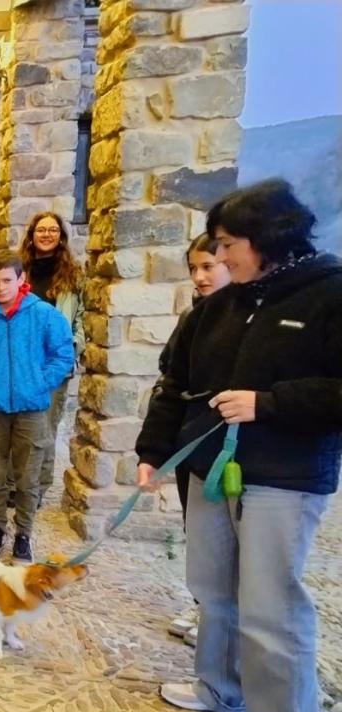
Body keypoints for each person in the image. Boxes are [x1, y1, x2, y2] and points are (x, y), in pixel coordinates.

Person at [136, 178, 342, 712]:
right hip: (207, 468)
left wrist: (269, 403)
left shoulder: (328, 295)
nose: (218, 257)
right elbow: (176, 384)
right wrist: (153, 449)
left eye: (228, 245)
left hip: (282, 476)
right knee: (212, 588)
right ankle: (219, 688)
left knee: (269, 602)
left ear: (269, 235)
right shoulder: (218, 308)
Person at [0, 250, 74, 563]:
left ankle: (23, 533)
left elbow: (63, 355)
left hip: (32, 408)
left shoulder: (45, 316)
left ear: (21, 279)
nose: (0, 288)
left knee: (28, 475)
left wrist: (38, 383)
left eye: (7, 280)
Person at [162, 232, 233, 648]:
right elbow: (172, 369)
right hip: (195, 443)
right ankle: (203, 604)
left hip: (231, 445)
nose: (200, 277)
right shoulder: (195, 316)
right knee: (200, 533)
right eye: (194, 269)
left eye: (208, 266)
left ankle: (221, 617)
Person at [20, 211, 84, 508]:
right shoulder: (20, 269)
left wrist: (74, 345)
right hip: (21, 359)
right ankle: (17, 484)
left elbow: (82, 315)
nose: (46, 234)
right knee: (18, 423)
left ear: (61, 236)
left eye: (53, 230)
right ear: (32, 235)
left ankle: (37, 487)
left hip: (54, 361)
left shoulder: (73, 274)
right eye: (41, 230)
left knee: (45, 426)